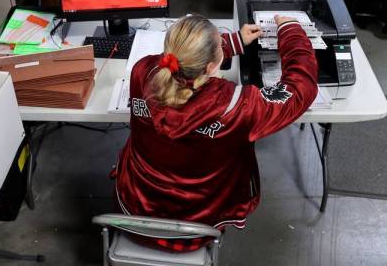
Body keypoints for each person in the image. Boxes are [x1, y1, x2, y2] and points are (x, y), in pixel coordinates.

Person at [114, 14, 318, 251]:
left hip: (133, 210)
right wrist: (290, 29)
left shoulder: (142, 72)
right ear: (211, 66)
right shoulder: (238, 107)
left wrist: (234, 42)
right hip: (195, 229)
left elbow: (182, 66)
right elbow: (300, 88)